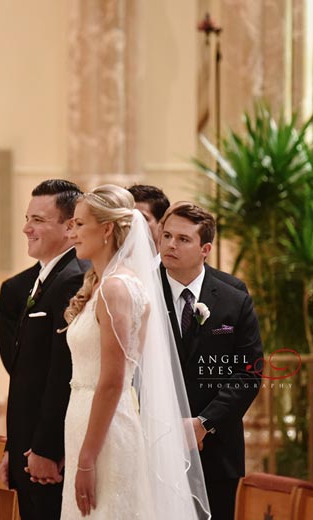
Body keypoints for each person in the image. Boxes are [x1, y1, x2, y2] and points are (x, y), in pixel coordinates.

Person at [61, 185, 209, 519]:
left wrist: (87, 458)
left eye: (80, 224)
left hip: (105, 429)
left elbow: (114, 379)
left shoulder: (116, 288)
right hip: (86, 418)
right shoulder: (104, 283)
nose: (72, 233)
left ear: (107, 229)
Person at [159, 202, 262, 520]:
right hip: (155, 448)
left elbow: (248, 373)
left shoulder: (234, 298)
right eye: (166, 236)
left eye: (183, 239)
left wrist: (204, 424)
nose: (171, 245)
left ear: (205, 248)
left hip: (217, 453)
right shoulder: (140, 292)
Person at [1, 179, 87, 520]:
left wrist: (47, 448)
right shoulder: (46, 278)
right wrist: (15, 445)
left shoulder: (72, 279)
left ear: (69, 227)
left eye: (37, 220)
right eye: (27, 218)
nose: (26, 228)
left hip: (48, 455)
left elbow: (61, 371)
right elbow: (24, 374)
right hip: (29, 447)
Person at [127, 184, 169, 251]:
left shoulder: (171, 260)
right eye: (128, 218)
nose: (132, 224)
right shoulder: (118, 260)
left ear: (162, 224)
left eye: (142, 219)